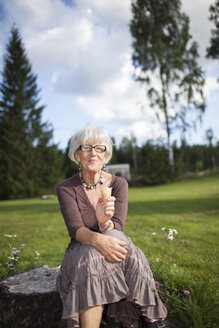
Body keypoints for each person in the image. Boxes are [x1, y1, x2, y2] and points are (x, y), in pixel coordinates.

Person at [56, 126, 168, 328]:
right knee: (92, 256)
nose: (93, 153)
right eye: (87, 148)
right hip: (80, 249)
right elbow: (75, 229)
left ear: (105, 154)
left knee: (119, 240)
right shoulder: (65, 188)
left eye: (99, 148)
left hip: (114, 241)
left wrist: (103, 222)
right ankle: (155, 320)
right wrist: (98, 238)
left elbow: (117, 227)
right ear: (76, 154)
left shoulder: (118, 184)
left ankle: (153, 321)